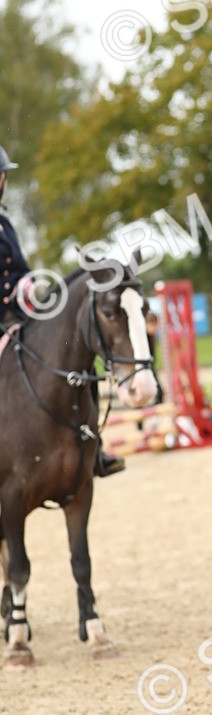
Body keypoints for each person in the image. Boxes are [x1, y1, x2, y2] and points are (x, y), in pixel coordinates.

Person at [0, 144, 126, 474]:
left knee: (78, 359)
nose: (3, 181)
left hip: (20, 315)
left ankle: (93, 446)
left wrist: (26, 284)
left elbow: (21, 267)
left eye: (3, 176)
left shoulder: (5, 223)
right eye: (2, 176)